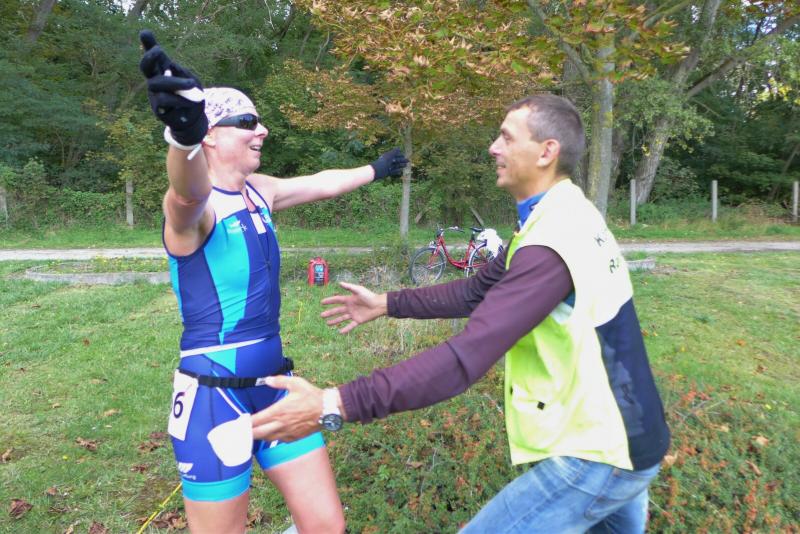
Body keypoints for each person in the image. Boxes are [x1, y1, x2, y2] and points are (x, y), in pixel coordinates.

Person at [251, 94, 671, 533]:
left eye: (507, 137)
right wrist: (387, 303)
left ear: (547, 151)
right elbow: (477, 290)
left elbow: (465, 358)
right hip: (630, 437)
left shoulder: (551, 243)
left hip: (599, 452)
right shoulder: (558, 214)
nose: (493, 147)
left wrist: (332, 403)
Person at [137, 31, 407, 534]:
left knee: (327, 528)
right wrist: (182, 139)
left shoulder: (259, 191)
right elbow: (185, 196)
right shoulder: (198, 211)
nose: (261, 130)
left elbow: (322, 183)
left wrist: (375, 169)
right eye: (247, 122)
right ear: (211, 135)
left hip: (276, 387)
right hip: (213, 398)